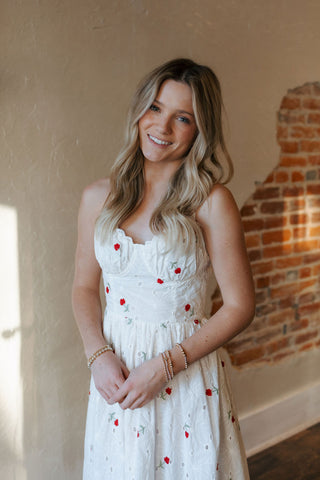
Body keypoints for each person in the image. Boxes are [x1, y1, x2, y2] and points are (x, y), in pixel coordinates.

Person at [72, 58, 255, 479]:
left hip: (186, 377)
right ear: (140, 111)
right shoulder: (97, 197)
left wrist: (165, 366)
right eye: (155, 108)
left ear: (199, 130)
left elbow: (240, 306)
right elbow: (83, 287)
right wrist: (97, 355)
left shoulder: (211, 203)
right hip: (115, 379)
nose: (162, 127)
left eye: (183, 117)